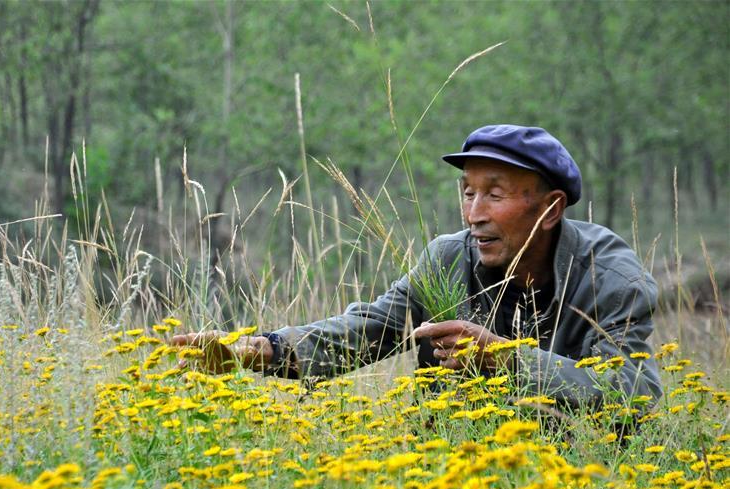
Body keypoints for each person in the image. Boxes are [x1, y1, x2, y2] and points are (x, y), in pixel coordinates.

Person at [171, 125, 662, 410]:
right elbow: (371, 328)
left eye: (495, 193)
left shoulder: (610, 277)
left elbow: (636, 391)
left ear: (551, 209)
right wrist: (261, 351)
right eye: (468, 192)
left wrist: (509, 360)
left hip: (577, 475)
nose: (474, 213)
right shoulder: (447, 258)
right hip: (450, 468)